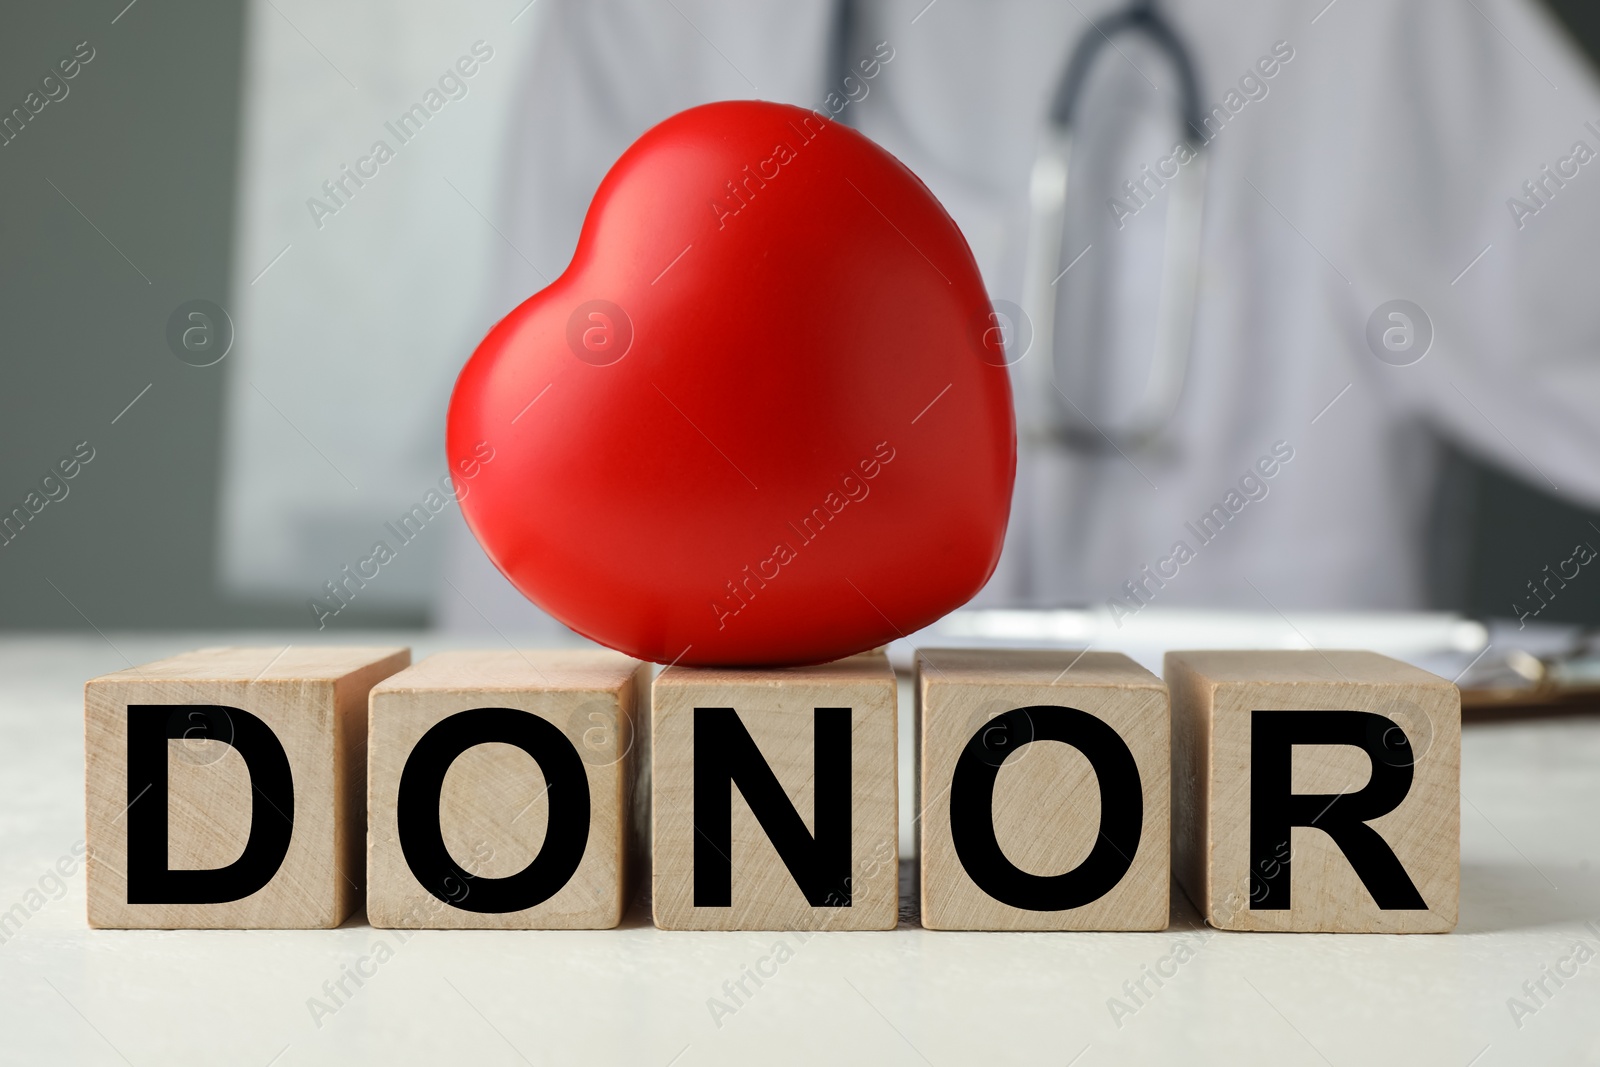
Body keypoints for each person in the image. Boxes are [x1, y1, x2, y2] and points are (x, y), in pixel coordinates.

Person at [441, 0, 1600, 635]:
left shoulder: (1371, 28)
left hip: (1243, 838)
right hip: (776, 833)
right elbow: (540, 504)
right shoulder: (646, 25)